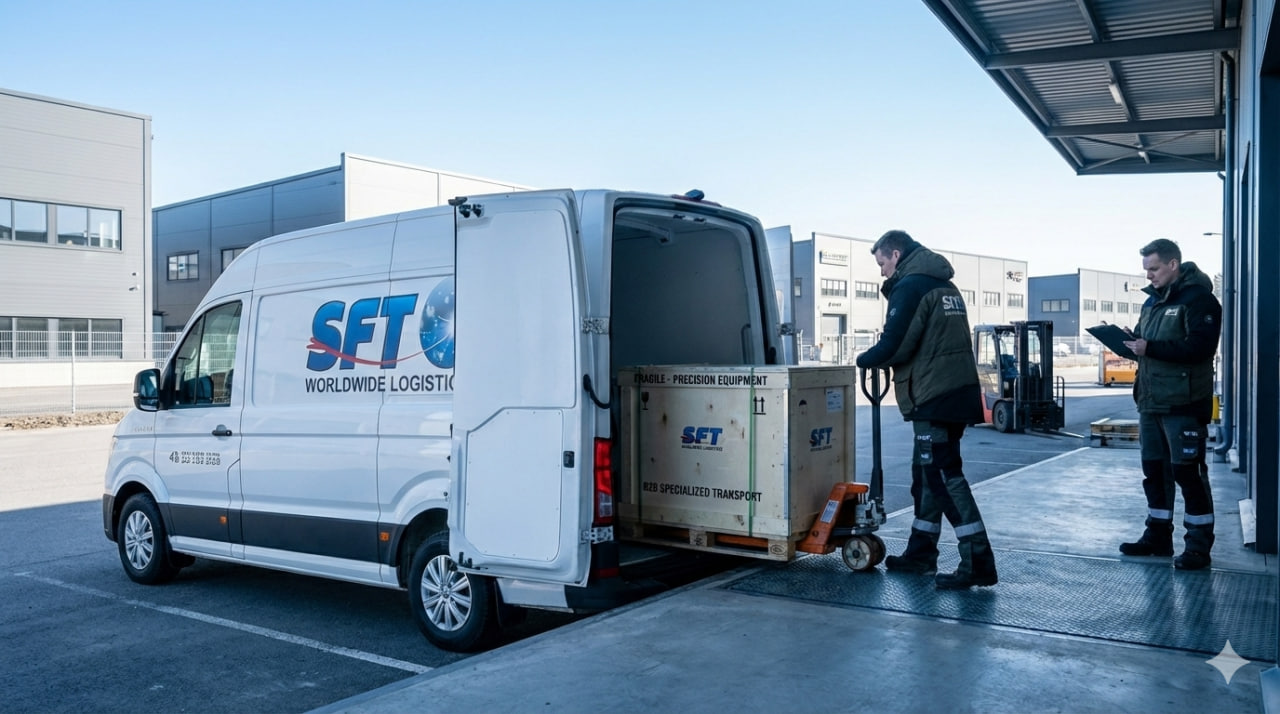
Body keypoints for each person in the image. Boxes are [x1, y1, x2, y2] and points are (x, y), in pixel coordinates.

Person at [855, 230, 996, 589]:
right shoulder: (943, 284)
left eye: (882, 263)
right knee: (925, 475)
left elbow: (896, 343)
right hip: (953, 391)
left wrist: (865, 359)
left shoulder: (912, 285)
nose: (882, 272)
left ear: (896, 255)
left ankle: (978, 560)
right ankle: (920, 554)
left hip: (936, 396)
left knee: (944, 477)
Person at [1120, 238, 1222, 570]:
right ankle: (1157, 537)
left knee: (1188, 474)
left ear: (1173, 264)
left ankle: (1198, 547)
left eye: (1154, 268)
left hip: (1183, 404)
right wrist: (1129, 342)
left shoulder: (1199, 300)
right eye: (1146, 270)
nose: (1149, 275)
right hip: (1150, 402)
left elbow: (1200, 348)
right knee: (1154, 473)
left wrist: (1149, 347)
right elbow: (1145, 345)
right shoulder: (1151, 303)